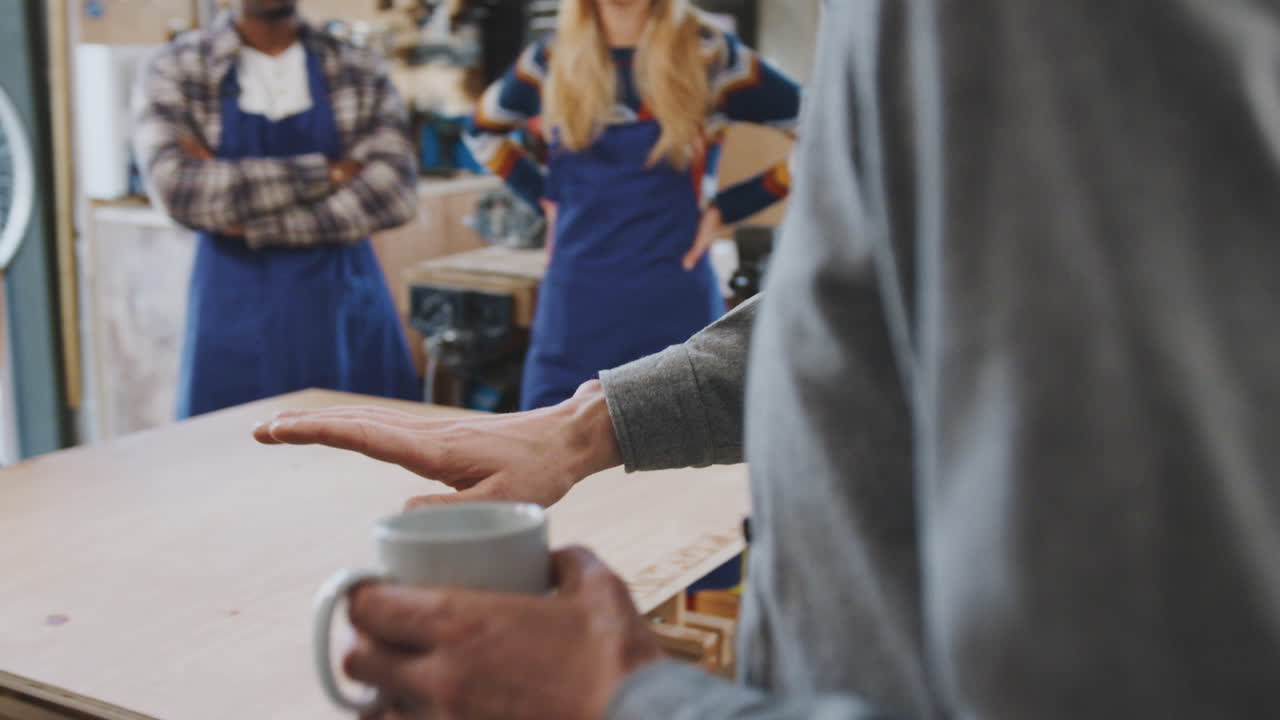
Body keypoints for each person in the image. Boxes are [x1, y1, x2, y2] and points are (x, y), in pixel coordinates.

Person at [254, 1, 1280, 718]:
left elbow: (1138, 678)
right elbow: (872, 313)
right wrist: (584, 427)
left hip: (664, 283)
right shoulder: (564, 53)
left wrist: (627, 700)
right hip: (588, 300)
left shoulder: (1000, 25)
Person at [463, 0, 801, 410]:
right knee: (550, 435)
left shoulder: (710, 54)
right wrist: (544, 197)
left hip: (675, 306)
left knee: (684, 441)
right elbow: (480, 130)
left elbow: (822, 128)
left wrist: (727, 209)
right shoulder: (550, 58)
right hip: (575, 309)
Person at [133, 0, 419, 418]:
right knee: (233, 449)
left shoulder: (356, 65)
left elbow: (393, 193)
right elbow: (180, 192)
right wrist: (328, 172)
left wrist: (253, 221)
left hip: (345, 308)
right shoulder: (177, 67)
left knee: (363, 447)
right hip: (233, 312)